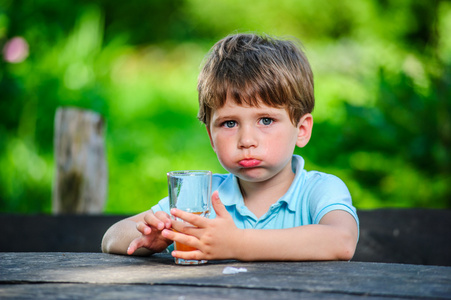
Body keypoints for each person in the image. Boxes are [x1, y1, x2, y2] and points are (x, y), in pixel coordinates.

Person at [102, 33, 359, 261]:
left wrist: (236, 244)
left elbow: (342, 241)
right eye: (229, 123)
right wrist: (153, 238)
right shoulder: (204, 196)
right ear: (211, 137)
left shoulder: (319, 190)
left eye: (266, 120)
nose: (246, 140)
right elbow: (111, 237)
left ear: (301, 130)